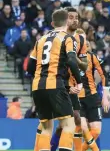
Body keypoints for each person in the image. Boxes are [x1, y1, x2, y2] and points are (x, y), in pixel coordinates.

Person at [27, 9, 83, 151]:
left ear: (52, 23)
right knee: (68, 125)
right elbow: (71, 60)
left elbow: (29, 67)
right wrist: (79, 80)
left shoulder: (40, 40)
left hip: (38, 86)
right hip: (55, 84)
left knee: (46, 128)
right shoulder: (67, 38)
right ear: (67, 21)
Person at [79, 40, 110, 151]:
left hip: (92, 97)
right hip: (77, 98)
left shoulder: (93, 58)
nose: (86, 46)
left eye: (88, 44)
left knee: (96, 131)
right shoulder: (70, 57)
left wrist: (105, 97)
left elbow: (105, 75)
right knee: (82, 128)